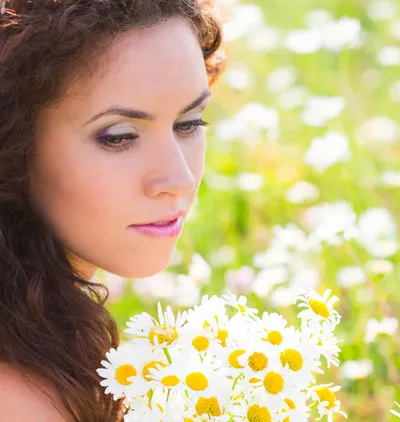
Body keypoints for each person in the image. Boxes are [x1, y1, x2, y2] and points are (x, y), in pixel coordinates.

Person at [0, 0, 226, 420]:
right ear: (13, 143)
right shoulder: (21, 400)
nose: (179, 179)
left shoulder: (45, 337)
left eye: (189, 123)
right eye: (119, 137)